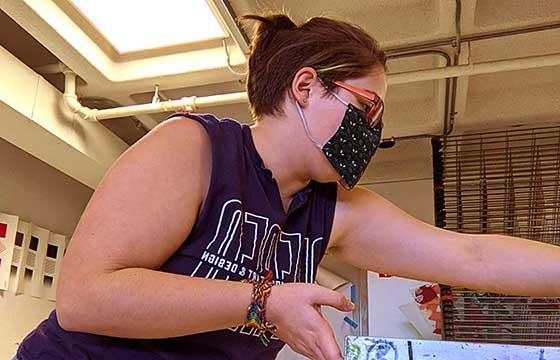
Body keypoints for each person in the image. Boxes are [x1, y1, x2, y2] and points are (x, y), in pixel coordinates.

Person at [14, 12, 560, 360]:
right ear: (305, 86)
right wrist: (262, 303)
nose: (372, 131)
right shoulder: (195, 148)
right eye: (366, 108)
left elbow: (472, 255)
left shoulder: (334, 210)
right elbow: (85, 299)